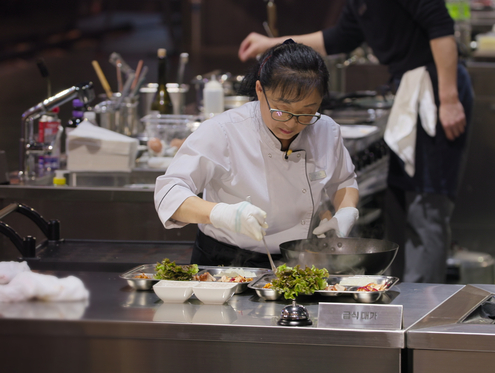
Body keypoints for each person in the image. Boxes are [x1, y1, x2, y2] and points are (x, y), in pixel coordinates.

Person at [238, 1, 474, 283]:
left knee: (426, 204)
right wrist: (271, 44)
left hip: (436, 95)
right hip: (410, 93)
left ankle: (427, 302)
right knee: (402, 202)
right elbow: (338, 38)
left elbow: (442, 29)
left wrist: (447, 98)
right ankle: (404, 290)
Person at [154, 40, 359, 268]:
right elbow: (169, 195)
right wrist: (221, 213)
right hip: (225, 264)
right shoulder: (224, 131)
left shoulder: (326, 130)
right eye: (281, 110)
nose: (291, 123)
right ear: (260, 90)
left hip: (301, 261)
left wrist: (346, 212)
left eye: (306, 113)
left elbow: (344, 180)